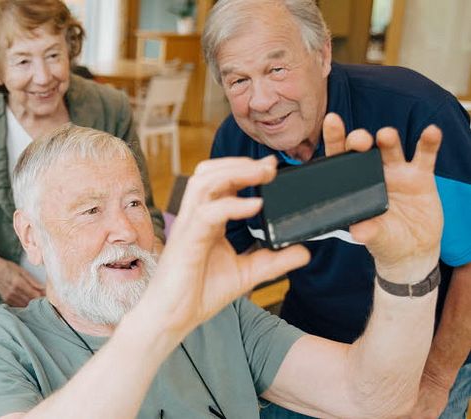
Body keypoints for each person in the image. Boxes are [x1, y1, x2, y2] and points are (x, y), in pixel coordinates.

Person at [0, 122, 444, 418]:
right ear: (30, 237)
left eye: (132, 203)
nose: (124, 229)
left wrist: (408, 269)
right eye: (90, 211)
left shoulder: (214, 313)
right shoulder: (2, 341)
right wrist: (159, 321)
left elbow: (374, 399)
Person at [200, 1, 471, 417]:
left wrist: (436, 379)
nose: (261, 101)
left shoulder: (415, 115)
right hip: (311, 342)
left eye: (277, 69)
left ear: (322, 54)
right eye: (238, 80)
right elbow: (234, 264)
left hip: (424, 356)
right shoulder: (234, 145)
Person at [0, 0, 165, 317]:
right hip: (12, 305)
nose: (43, 76)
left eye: (53, 55)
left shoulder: (109, 109)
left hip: (106, 301)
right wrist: (1, 273)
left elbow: (146, 212)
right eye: (22, 62)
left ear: (69, 52)